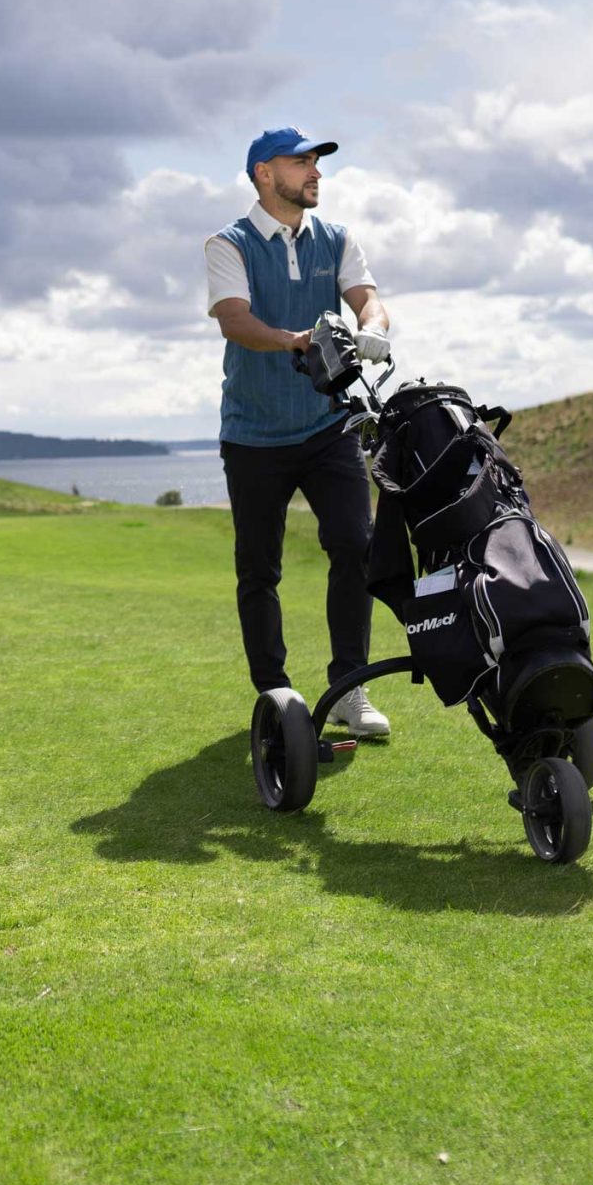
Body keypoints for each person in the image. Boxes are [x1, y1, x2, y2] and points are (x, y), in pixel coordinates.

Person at [204, 128, 394, 737]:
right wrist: (293, 339)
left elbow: (369, 300)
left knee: (354, 546)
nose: (314, 171)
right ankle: (275, 695)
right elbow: (235, 321)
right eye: (301, 162)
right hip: (254, 436)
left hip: (327, 427)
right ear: (265, 173)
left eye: (317, 162)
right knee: (259, 568)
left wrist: (373, 326)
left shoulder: (336, 239)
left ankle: (349, 688)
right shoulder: (228, 244)